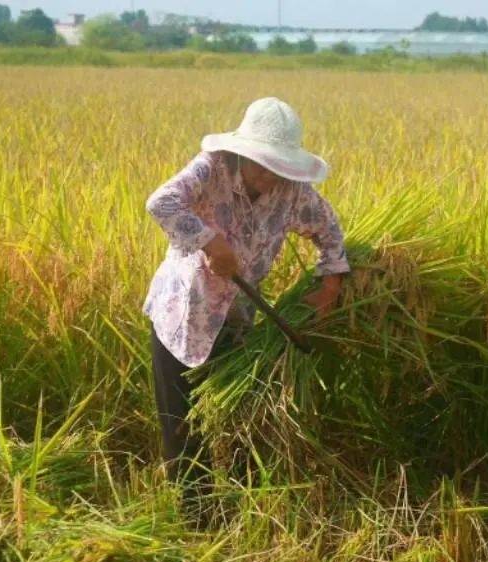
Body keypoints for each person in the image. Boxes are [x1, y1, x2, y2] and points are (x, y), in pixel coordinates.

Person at [142, 96, 351, 523]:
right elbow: (160, 202)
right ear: (244, 153)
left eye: (278, 167)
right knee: (183, 427)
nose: (269, 177)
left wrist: (330, 285)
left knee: (232, 418)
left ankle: (239, 513)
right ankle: (195, 523)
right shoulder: (212, 168)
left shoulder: (292, 191)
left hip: (238, 318)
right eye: (263, 165)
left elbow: (330, 231)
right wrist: (209, 240)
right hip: (184, 316)